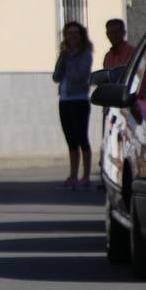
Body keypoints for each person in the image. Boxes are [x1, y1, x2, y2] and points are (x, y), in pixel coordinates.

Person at [52, 21, 94, 189]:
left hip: (80, 99)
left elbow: (80, 77)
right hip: (64, 100)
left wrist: (69, 60)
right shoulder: (64, 54)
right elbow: (56, 76)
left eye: (75, 33)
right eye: (69, 34)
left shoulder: (86, 54)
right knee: (70, 139)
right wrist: (63, 58)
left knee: (81, 137)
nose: (72, 37)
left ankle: (86, 176)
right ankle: (73, 175)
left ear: (81, 36)